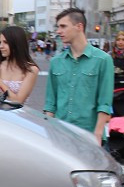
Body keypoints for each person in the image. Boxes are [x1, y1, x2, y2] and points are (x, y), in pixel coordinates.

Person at [43, 8, 114, 145]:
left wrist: (98, 134)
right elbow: (50, 103)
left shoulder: (103, 60)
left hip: (89, 136)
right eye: (58, 27)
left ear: (79, 27)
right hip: (60, 134)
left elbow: (104, 103)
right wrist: (48, 131)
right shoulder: (56, 62)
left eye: (63, 26)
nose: (59, 31)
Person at [0, 25, 39, 103]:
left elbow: (18, 101)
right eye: (0, 42)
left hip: (16, 114)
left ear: (16, 44)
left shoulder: (31, 70)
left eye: (5, 42)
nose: (0, 46)